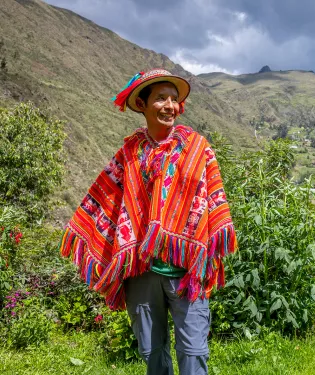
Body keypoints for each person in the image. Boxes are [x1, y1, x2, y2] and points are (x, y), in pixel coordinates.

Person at [58, 68, 237, 375]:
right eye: (161, 98)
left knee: (193, 353)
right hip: (141, 271)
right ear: (142, 104)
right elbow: (107, 199)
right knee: (152, 352)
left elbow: (213, 201)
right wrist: (85, 230)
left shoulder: (197, 149)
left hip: (186, 272)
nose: (170, 106)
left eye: (174, 99)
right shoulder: (129, 153)